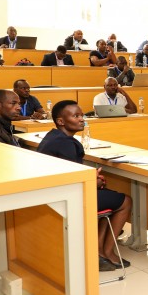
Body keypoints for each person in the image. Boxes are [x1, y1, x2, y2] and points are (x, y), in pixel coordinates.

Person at [37, 100, 133, 272]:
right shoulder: (66, 143)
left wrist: (93, 179)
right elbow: (74, 182)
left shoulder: (54, 137)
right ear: (61, 121)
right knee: (125, 201)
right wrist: (94, 181)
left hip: (53, 194)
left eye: (81, 115)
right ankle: (108, 252)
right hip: (67, 198)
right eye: (76, 116)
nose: (82, 119)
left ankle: (99, 251)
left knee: (109, 197)